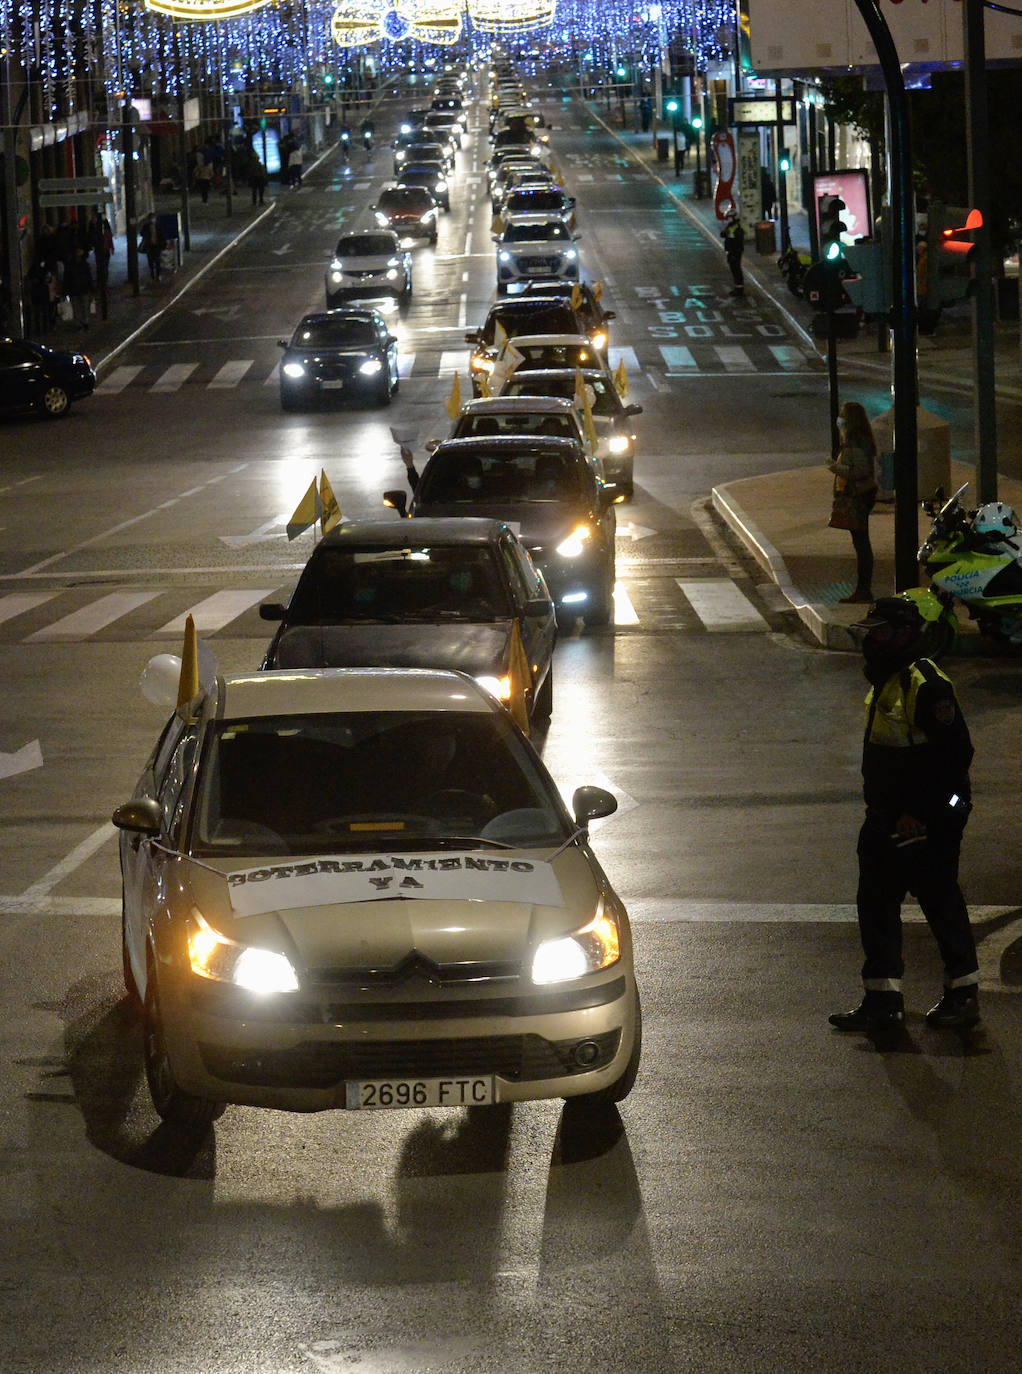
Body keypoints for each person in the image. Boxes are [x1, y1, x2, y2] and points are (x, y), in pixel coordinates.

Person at [830, 595, 980, 1035]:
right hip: (887, 816)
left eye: (880, 631)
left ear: (904, 633)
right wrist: (887, 811)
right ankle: (883, 1000)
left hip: (927, 817)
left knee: (939, 900)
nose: (872, 639)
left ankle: (963, 993)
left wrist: (916, 813)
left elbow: (954, 757)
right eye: (870, 631)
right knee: (875, 902)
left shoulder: (926, 684)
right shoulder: (887, 678)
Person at [828, 400, 879, 604]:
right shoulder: (861, 439)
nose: (839, 418)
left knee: (861, 544)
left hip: (858, 496)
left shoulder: (856, 441)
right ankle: (862, 588)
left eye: (842, 415)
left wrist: (836, 468)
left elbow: (861, 470)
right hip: (863, 495)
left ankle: (863, 589)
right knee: (861, 543)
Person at [85, 208, 114, 320]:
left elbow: (108, 234)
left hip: (104, 249)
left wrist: (110, 247)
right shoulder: (94, 224)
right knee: (100, 266)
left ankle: (103, 282)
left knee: (103, 266)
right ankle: (101, 282)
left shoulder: (102, 223)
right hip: (99, 249)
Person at [62, 245, 94, 329]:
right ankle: (83, 322)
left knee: (79, 307)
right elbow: (88, 277)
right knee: (82, 307)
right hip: (79, 289)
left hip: (77, 289)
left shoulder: (71, 266)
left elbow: (67, 279)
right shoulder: (83, 265)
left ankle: (81, 322)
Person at [721, 207, 745, 295]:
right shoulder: (731, 226)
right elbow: (723, 234)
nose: (727, 219)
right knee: (734, 269)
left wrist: (733, 253)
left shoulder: (736, 228)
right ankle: (737, 287)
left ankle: (739, 288)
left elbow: (737, 241)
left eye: (729, 217)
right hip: (732, 251)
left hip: (735, 252)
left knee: (736, 269)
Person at [139, 214, 166, 283]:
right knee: (150, 261)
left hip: (157, 245)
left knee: (157, 261)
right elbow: (141, 233)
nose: (153, 220)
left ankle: (158, 275)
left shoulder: (158, 226)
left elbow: (162, 235)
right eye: (151, 218)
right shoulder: (146, 226)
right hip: (149, 245)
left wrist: (163, 244)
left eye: (153, 218)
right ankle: (152, 273)